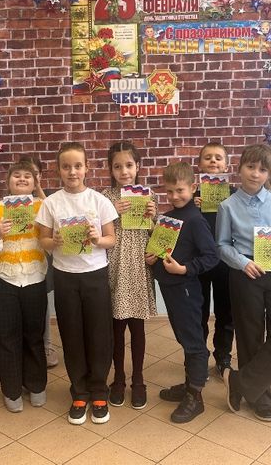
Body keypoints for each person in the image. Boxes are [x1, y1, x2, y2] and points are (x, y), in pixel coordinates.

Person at [216, 144, 271, 422]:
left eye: (263, 169)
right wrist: (243, 262)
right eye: (250, 167)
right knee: (250, 337)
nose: (255, 174)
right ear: (239, 168)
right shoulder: (227, 206)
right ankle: (261, 398)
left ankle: (238, 381)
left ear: (270, 174)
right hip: (245, 274)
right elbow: (222, 245)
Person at [36, 142, 117, 425]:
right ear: (58, 170)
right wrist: (54, 241)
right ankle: (79, 391)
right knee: (72, 334)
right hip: (65, 276)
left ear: (87, 168)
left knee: (98, 334)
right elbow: (43, 240)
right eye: (66, 167)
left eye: (78, 166)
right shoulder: (51, 203)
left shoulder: (99, 201)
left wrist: (97, 239)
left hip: (95, 274)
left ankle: (99, 390)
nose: (72, 172)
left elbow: (111, 239)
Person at [146, 162, 218, 423]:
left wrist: (185, 269)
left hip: (186, 289)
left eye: (180, 190)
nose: (175, 196)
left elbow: (212, 256)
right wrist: (152, 259)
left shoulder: (196, 220)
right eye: (169, 191)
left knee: (193, 341)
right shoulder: (167, 218)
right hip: (170, 288)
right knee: (183, 337)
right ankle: (190, 384)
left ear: (193, 187)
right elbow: (164, 250)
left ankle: (195, 396)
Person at [0, 161, 47, 412]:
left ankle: (36, 385)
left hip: (34, 278)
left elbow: (53, 240)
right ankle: (11, 389)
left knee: (34, 335)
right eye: (16, 175)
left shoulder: (43, 208)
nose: (22, 179)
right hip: (4, 280)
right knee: (6, 337)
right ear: (7, 182)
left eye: (28, 176)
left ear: (35, 182)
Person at [102, 141, 157, 410]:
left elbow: (155, 234)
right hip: (115, 266)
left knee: (137, 327)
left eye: (129, 165)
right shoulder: (105, 197)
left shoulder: (148, 195)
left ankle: (138, 379)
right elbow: (100, 231)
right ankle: (119, 379)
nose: (124, 171)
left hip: (138, 265)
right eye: (117, 166)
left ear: (138, 167)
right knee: (115, 328)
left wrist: (153, 218)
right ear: (110, 169)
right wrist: (113, 212)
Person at [195, 142, 235, 377]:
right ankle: (199, 356)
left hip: (225, 262)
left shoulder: (235, 195)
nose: (213, 161)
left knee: (225, 312)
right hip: (200, 262)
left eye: (218, 158)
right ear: (200, 164)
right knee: (198, 312)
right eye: (208, 157)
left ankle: (223, 356)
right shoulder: (192, 195)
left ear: (226, 165)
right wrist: (193, 207)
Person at [18, 153, 59, 369]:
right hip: (20, 260)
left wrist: (38, 188)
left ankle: (47, 345)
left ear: (40, 176)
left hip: (42, 256)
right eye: (24, 174)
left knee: (42, 302)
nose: (28, 178)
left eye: (34, 174)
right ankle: (25, 346)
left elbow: (51, 212)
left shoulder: (48, 198)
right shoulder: (12, 200)